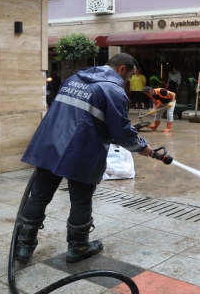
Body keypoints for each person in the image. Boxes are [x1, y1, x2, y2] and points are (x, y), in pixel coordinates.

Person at [18, 53, 154, 264]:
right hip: (81, 150)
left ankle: (23, 248)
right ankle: (78, 247)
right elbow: (122, 132)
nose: (127, 81)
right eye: (130, 76)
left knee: (38, 196)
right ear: (122, 69)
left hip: (49, 143)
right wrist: (141, 147)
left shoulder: (74, 79)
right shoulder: (113, 90)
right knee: (80, 201)